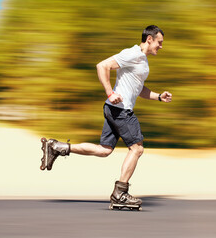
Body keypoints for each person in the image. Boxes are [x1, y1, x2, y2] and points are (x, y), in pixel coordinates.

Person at [40, 25, 172, 208]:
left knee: (104, 150)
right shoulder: (132, 54)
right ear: (149, 39)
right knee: (137, 149)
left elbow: (138, 89)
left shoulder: (142, 60)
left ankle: (57, 147)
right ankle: (120, 194)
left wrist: (158, 96)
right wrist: (110, 93)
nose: (161, 46)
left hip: (114, 108)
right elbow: (102, 66)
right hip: (121, 109)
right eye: (159, 42)